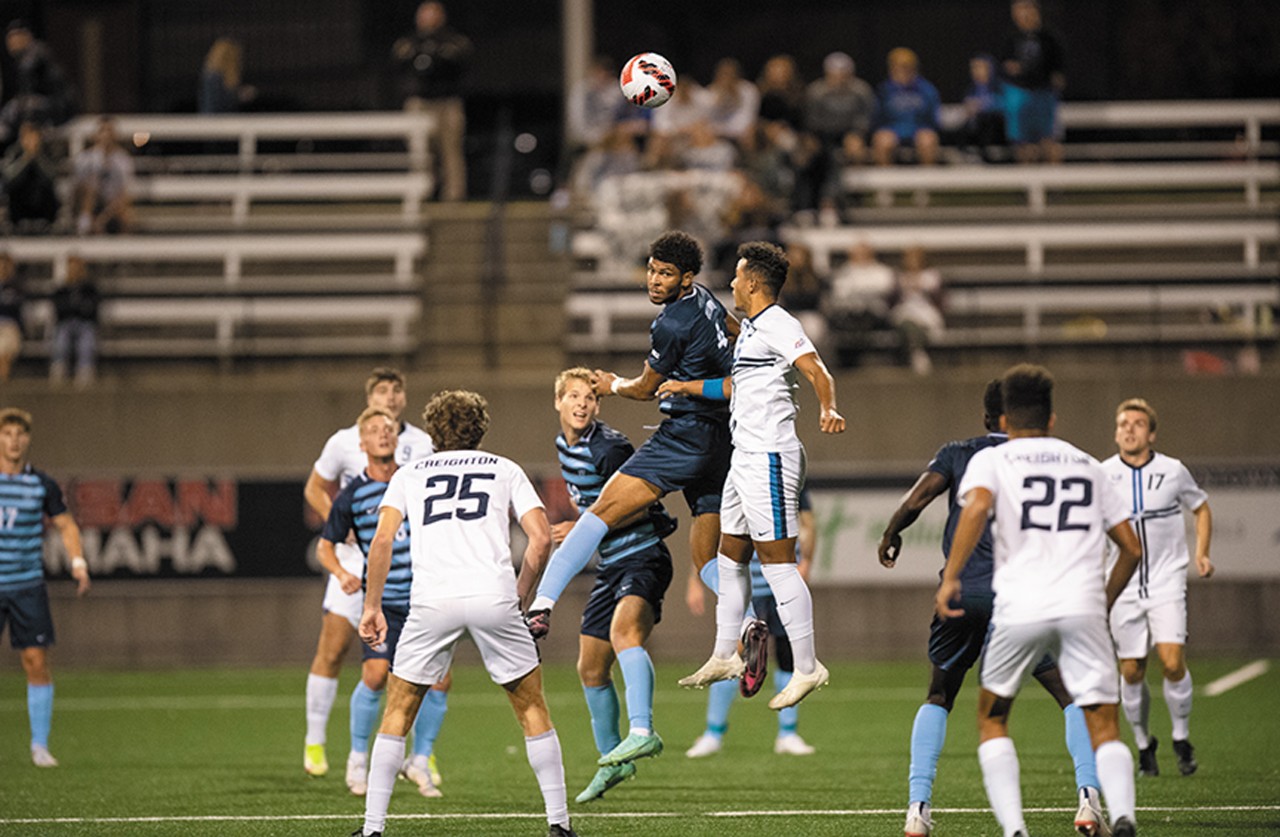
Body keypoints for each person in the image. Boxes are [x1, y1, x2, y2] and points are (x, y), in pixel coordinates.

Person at [525, 231, 736, 744]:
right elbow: (736, 330)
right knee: (706, 558)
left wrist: (612, 384)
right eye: (651, 269)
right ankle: (748, 616)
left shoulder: (671, 323)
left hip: (685, 436)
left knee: (599, 514)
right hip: (722, 438)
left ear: (686, 278)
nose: (654, 280)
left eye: (665, 273)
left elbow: (644, 389)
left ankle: (541, 605)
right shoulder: (706, 300)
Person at [878, 380, 1109, 837]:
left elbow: (918, 498)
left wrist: (891, 533)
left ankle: (917, 810)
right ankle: (1089, 800)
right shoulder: (1054, 459)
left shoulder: (961, 453)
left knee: (939, 696)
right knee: (1071, 696)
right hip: (1023, 596)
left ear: (989, 419)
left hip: (964, 593)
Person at [352, 390, 577, 837]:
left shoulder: (409, 474)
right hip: (493, 595)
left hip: (432, 600)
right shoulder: (504, 468)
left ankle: (372, 828)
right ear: (480, 429)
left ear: (432, 432)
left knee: (398, 711)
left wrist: (372, 605)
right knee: (531, 707)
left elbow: (382, 541)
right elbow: (540, 538)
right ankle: (559, 824)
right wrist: (521, 595)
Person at [935, 364, 1143, 837]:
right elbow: (1131, 549)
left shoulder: (992, 460)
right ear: (1051, 419)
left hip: (1020, 606)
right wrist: (1104, 601)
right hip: (1082, 606)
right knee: (1103, 721)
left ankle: (1014, 829)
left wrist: (952, 577)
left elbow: (977, 508)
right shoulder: (1088, 465)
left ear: (1003, 420)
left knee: (992, 718)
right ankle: (1123, 816)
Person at [665, 240, 845, 711]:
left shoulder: (780, 323)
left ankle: (807, 666)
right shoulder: (752, 330)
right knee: (730, 558)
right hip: (744, 457)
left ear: (753, 282)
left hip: (770, 456)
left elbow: (816, 369)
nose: (732, 282)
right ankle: (725, 654)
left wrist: (828, 408)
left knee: (779, 564)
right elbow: (735, 384)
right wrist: (685, 386)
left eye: (737, 275)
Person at [546, 367, 678, 803]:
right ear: (558, 402)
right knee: (590, 668)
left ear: (598, 405)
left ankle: (643, 730)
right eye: (574, 396)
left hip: (643, 557)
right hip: (611, 565)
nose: (582, 404)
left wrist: (583, 525)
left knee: (625, 635)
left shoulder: (609, 447)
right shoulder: (565, 446)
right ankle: (613, 762)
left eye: (590, 397)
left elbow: (641, 503)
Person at [301, 368, 438, 784]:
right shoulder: (345, 441)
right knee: (334, 650)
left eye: (397, 390)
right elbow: (314, 488)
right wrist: (340, 524)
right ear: (369, 398)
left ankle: (421, 755)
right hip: (355, 561)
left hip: (408, 568)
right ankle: (316, 740)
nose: (390, 397)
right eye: (382, 390)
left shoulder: (422, 443)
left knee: (425, 669)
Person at [1102, 397, 1214, 778]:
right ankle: (1143, 743)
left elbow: (1201, 507)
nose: (1129, 429)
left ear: (1151, 433)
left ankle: (1181, 737)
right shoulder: (1102, 474)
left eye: (1137, 424)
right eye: (1123, 424)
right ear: (1116, 432)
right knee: (1132, 670)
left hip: (1166, 581)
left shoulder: (1172, 471)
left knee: (1171, 661)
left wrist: (1202, 553)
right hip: (1122, 585)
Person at [685, 486, 818, 757]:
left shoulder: (782, 475)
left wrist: (807, 561)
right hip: (746, 584)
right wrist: (694, 579)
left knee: (786, 654)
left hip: (780, 580)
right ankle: (713, 732)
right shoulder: (731, 478)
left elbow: (808, 522)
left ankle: (788, 733)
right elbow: (709, 534)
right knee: (733, 654)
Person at [0, 407, 91, 768]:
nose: (14, 441)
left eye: (19, 434)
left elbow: (66, 525)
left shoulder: (41, 484)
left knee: (36, 660)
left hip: (27, 585)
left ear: (28, 439)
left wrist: (78, 563)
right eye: (7, 434)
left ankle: (40, 745)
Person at [391, 1, 472, 202]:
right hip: (420, 102)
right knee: (420, 152)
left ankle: (454, 198)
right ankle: (422, 194)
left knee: (451, 151)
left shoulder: (453, 40)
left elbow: (461, 60)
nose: (428, 19)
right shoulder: (409, 42)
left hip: (447, 102)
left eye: (433, 14)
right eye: (425, 15)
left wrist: (436, 55)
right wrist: (421, 54)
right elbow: (399, 61)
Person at [999, 0, 1066, 164]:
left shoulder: (1049, 38)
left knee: (1049, 141)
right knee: (1024, 145)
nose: (1023, 15)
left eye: (1026, 10)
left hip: (1044, 93)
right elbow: (1006, 68)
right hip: (1020, 94)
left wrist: (1026, 69)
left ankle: (1055, 179)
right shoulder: (1011, 39)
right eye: (1018, 12)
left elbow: (1057, 70)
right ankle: (1027, 177)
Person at [1, 20, 74, 145]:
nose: (11, 43)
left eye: (14, 37)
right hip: (51, 104)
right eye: (9, 38)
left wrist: (27, 122)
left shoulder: (33, 55)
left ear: (26, 37)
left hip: (59, 106)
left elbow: (28, 94)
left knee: (13, 109)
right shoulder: (28, 55)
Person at [871, 48, 942, 168]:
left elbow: (933, 117)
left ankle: (927, 177)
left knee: (928, 140)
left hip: (919, 129)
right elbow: (878, 117)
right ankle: (886, 178)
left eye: (907, 67)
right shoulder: (884, 90)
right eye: (898, 67)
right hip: (892, 129)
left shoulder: (927, 89)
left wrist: (927, 129)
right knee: (883, 141)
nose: (903, 71)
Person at [71, 118, 135, 235]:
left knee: (125, 208)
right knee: (89, 189)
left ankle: (123, 241)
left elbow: (125, 192)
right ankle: (84, 225)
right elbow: (78, 187)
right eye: (102, 131)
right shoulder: (85, 158)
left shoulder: (123, 160)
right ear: (96, 135)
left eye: (109, 131)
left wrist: (103, 218)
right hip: (91, 201)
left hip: (112, 205)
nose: (106, 135)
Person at [889, 246, 945, 376]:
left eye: (915, 258)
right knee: (907, 324)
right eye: (909, 259)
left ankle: (916, 352)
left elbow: (940, 300)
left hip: (926, 312)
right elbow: (892, 300)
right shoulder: (900, 277)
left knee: (919, 324)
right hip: (905, 311)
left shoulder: (931, 276)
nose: (912, 262)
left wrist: (922, 287)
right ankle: (918, 353)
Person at [48, 255, 99, 387]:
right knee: (61, 339)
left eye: (77, 268)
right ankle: (59, 367)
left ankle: (85, 369)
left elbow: (92, 308)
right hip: (66, 323)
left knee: (86, 340)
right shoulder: (62, 289)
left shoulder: (89, 289)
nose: (74, 271)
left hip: (84, 323)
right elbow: (58, 309)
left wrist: (76, 307)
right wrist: (77, 307)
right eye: (72, 268)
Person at [2, 121, 60, 232]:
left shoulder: (47, 151)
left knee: (48, 186)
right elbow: (9, 176)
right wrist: (25, 159)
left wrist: (37, 157)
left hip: (41, 197)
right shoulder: (14, 151)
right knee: (13, 187)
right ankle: (17, 222)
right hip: (20, 196)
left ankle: (46, 222)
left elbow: (52, 176)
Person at [961, 53, 1007, 162]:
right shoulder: (972, 89)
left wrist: (983, 106)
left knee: (985, 120)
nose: (976, 71)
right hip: (975, 125)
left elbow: (1005, 105)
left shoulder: (999, 86)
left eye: (980, 67)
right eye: (973, 68)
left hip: (996, 125)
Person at [199, 38, 254, 115]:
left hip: (224, 116)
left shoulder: (226, 76)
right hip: (215, 117)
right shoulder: (214, 77)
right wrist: (238, 95)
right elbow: (216, 101)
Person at [0, 253, 23, 382]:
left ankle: (4, 383)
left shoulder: (15, 285)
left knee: (4, 353)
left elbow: (15, 306)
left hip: (10, 325)